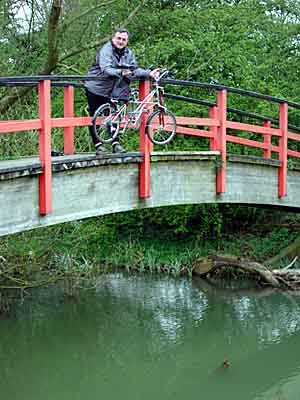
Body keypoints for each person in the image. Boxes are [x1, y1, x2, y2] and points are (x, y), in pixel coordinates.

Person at [85, 28, 160, 155]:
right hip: (95, 87)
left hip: (112, 90)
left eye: (123, 39)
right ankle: (98, 145)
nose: (120, 41)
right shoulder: (106, 50)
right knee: (96, 116)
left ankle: (116, 144)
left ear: (127, 41)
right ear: (113, 39)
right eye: (118, 38)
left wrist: (149, 73)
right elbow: (106, 69)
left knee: (114, 115)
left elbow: (134, 70)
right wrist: (121, 72)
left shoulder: (128, 53)